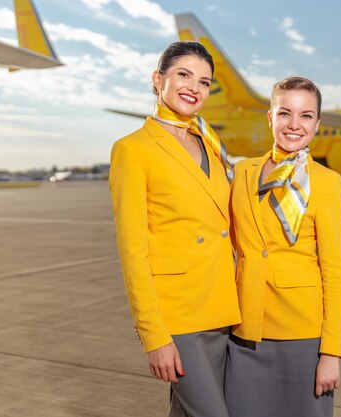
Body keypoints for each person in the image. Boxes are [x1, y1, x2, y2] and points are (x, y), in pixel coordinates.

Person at [109, 41, 241, 417]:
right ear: (158, 79)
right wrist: (154, 335)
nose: (194, 88)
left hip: (221, 308)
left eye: (204, 82)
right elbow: (133, 250)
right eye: (184, 75)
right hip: (177, 315)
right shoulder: (133, 149)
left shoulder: (211, 145)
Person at [225, 77, 341, 417]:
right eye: (285, 113)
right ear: (270, 118)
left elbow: (336, 273)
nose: (294, 125)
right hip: (245, 333)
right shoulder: (243, 172)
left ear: (317, 123)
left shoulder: (326, 183)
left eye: (306, 116)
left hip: (303, 336)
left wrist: (331, 353)